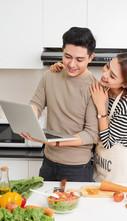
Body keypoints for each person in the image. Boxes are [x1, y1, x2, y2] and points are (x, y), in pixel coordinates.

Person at [51, 52, 127, 183]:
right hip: (101, 163)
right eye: (107, 67)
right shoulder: (106, 89)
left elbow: (108, 142)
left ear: (125, 84)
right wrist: (65, 69)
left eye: (112, 76)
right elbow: (83, 82)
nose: (105, 75)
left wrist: (100, 106)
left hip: (121, 172)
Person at [21, 27, 99, 182]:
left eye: (79, 59)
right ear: (62, 50)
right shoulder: (50, 76)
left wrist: (55, 142)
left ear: (91, 57)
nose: (71, 64)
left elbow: (91, 134)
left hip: (77, 167)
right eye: (67, 56)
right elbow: (36, 103)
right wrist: (29, 117)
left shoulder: (94, 88)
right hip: (48, 162)